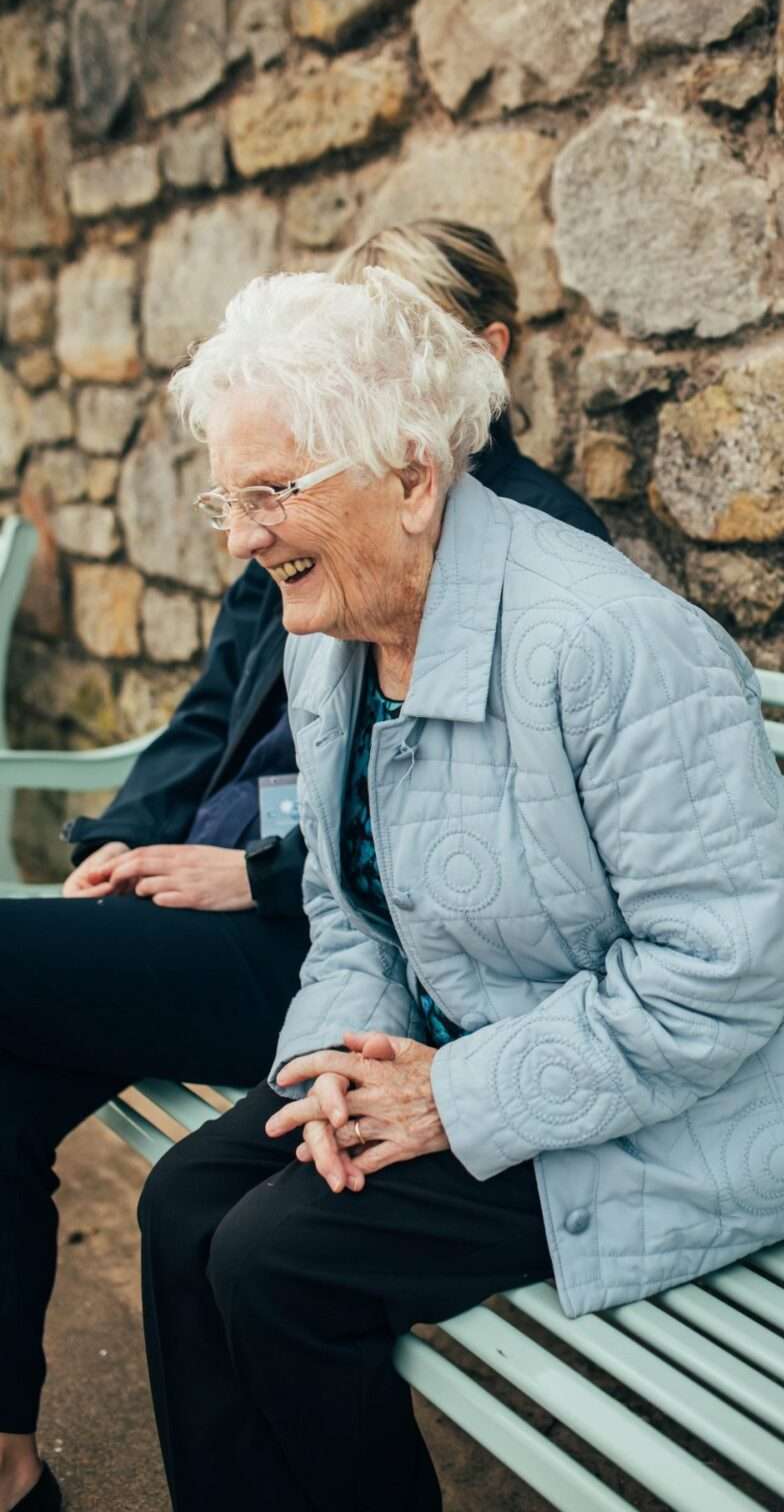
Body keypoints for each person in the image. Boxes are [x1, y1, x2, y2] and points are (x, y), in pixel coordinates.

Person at [137, 267, 784, 1512]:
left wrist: (449, 1090)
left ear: (410, 474)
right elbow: (350, 910)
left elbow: (721, 974)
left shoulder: (608, 644)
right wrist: (327, 1070)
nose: (241, 538)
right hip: (480, 1042)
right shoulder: (328, 635)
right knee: (186, 1204)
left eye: (273, 492)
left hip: (696, 1107)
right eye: (227, 498)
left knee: (278, 1260)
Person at [0, 224, 607, 1512]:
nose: (248, 534)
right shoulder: (311, 546)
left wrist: (257, 882)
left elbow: (432, 872)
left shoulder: (550, 586)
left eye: (395, 333)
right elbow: (219, 729)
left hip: (371, 970)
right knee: (140, 1172)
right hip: (340, 953)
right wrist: (121, 843)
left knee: (253, 1243)